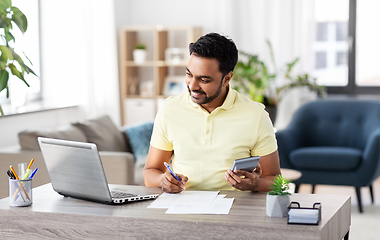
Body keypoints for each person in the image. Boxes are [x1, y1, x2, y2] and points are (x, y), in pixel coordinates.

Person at [143, 32, 281, 193]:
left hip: (234, 210)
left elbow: (276, 181)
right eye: (189, 74)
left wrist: (255, 184)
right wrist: (162, 180)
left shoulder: (256, 115)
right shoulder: (170, 109)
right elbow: (150, 172)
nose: (192, 85)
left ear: (227, 79)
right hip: (182, 207)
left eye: (204, 80)